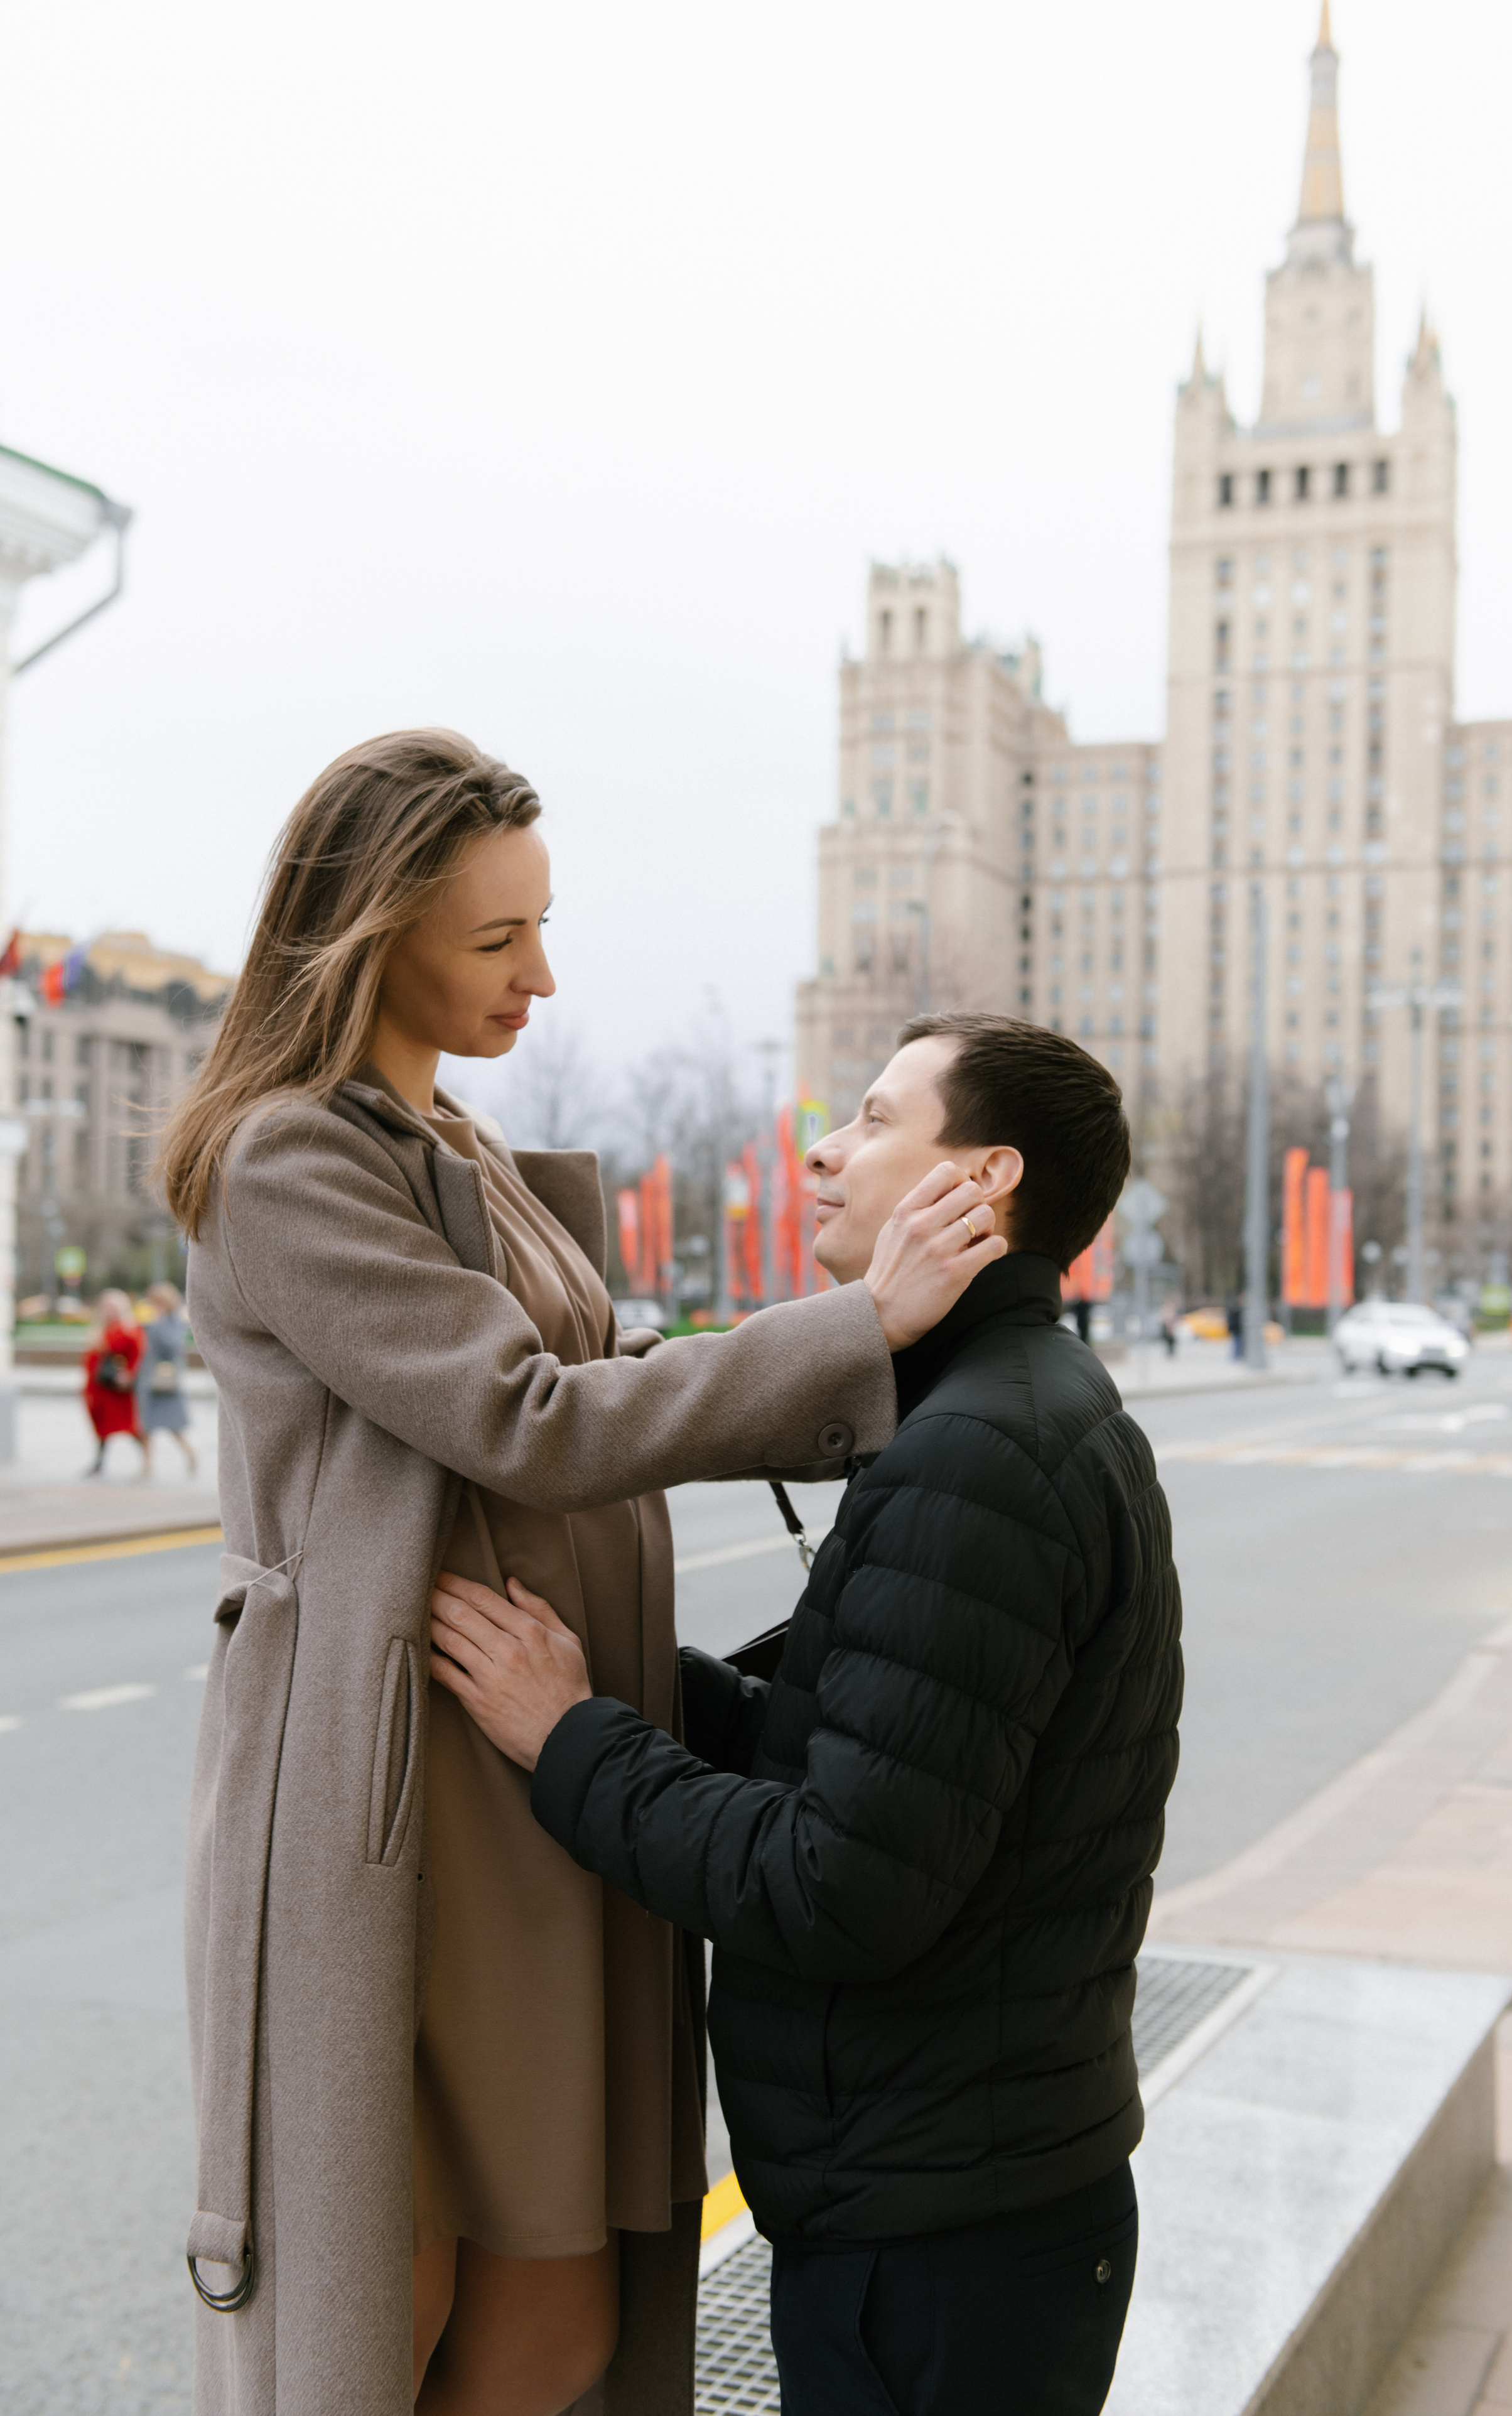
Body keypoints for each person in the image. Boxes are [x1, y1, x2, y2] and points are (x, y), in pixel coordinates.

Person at [159, 729, 1000, 2416]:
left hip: (534, 1773)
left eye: (541, 925)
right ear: (371, 931)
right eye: (496, 940)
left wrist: (852, 1354)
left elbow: (611, 1354)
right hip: (389, 1803)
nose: (543, 973)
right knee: (379, 2297)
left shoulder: (450, 1139)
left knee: (559, 2318)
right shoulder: (288, 1155)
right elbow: (525, 1416)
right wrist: (855, 1329)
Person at [430, 1012, 1184, 2416]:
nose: (823, 1151)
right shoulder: (1006, 1406)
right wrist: (626, 1685)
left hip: (937, 2241)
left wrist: (570, 1739)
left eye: (878, 1121)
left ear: (983, 1182)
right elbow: (883, 1748)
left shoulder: (977, 1454)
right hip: (966, 2192)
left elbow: (836, 1882)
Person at [82, 1288, 150, 1476]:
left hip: (116, 1388)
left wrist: (128, 1375)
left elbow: (137, 1354)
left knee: (128, 1426)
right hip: (99, 1387)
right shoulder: (100, 1328)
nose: (109, 1311)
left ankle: (147, 1460)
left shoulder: (128, 1328)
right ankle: (99, 1462)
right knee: (102, 1427)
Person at [136, 1281, 199, 1475]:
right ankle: (147, 1465)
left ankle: (191, 1455)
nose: (154, 1305)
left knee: (174, 1425)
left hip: (166, 1379)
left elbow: (172, 1346)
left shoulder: (174, 1321)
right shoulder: (151, 1320)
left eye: (158, 1301)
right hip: (147, 1378)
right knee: (145, 1425)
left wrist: (158, 1322)